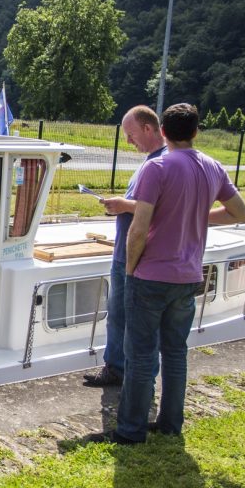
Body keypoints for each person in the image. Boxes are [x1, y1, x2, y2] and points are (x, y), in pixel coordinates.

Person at [112, 103, 245, 444]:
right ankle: (171, 424)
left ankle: (130, 431)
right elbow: (240, 213)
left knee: (140, 355)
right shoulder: (213, 167)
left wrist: (130, 271)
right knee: (175, 353)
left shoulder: (156, 167)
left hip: (151, 275)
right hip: (188, 276)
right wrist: (198, 215)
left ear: (162, 132)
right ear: (196, 132)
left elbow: (138, 229)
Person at [83, 106, 167, 388]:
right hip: (125, 252)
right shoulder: (151, 162)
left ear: (148, 128)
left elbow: (160, 209)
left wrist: (123, 205)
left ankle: (133, 377)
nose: (129, 141)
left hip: (137, 257)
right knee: (117, 315)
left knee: (134, 319)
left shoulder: (162, 163)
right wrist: (121, 205)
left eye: (131, 135)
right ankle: (117, 369)